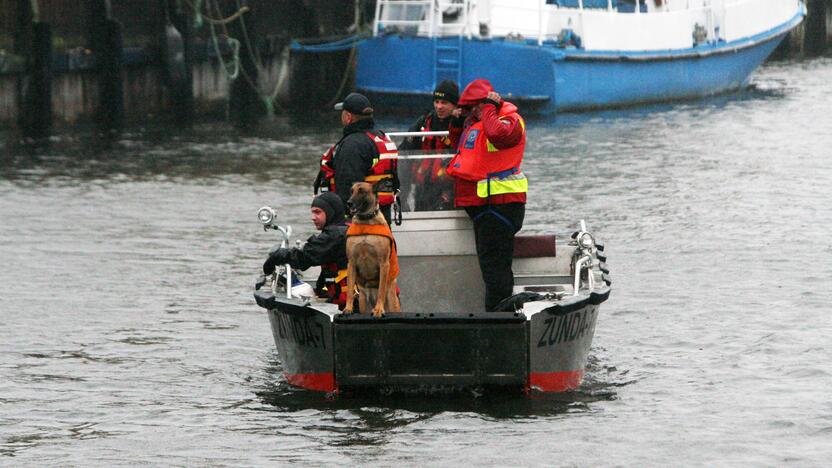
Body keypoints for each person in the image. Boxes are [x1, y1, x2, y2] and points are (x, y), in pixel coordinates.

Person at [446, 78, 528, 312]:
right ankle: (500, 312)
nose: (473, 112)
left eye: (475, 107)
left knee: (495, 267)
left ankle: (500, 317)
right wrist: (458, 121)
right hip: (483, 207)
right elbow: (460, 148)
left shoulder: (510, 121)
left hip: (499, 205)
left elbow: (497, 135)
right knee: (490, 265)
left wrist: (490, 108)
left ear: (486, 104)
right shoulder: (478, 123)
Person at [313, 92, 398, 224]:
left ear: (348, 117)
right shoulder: (381, 137)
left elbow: (347, 186)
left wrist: (342, 221)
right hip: (382, 218)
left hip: (360, 223)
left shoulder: (352, 145)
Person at [262, 192, 350, 309]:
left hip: (348, 302)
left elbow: (303, 258)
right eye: (312, 212)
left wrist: (276, 257)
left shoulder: (334, 235)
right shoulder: (347, 228)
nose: (313, 217)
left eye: (318, 212)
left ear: (331, 213)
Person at [398, 80, 462, 211]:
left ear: (455, 105)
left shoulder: (461, 125)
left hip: (449, 188)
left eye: (444, 103)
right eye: (436, 102)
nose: (439, 106)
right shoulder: (424, 123)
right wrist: (402, 198)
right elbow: (404, 155)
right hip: (424, 187)